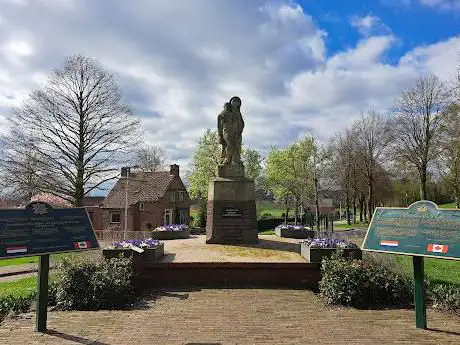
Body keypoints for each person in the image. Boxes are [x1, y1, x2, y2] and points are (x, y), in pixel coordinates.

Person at [217, 96, 244, 165]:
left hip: (237, 133)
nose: (235, 103)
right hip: (227, 131)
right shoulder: (226, 111)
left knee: (237, 146)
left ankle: (236, 159)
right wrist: (219, 133)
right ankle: (227, 159)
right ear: (230, 102)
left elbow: (242, 123)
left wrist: (240, 130)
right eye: (234, 101)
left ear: (239, 104)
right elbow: (219, 118)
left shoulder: (238, 113)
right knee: (230, 144)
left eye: (237, 102)